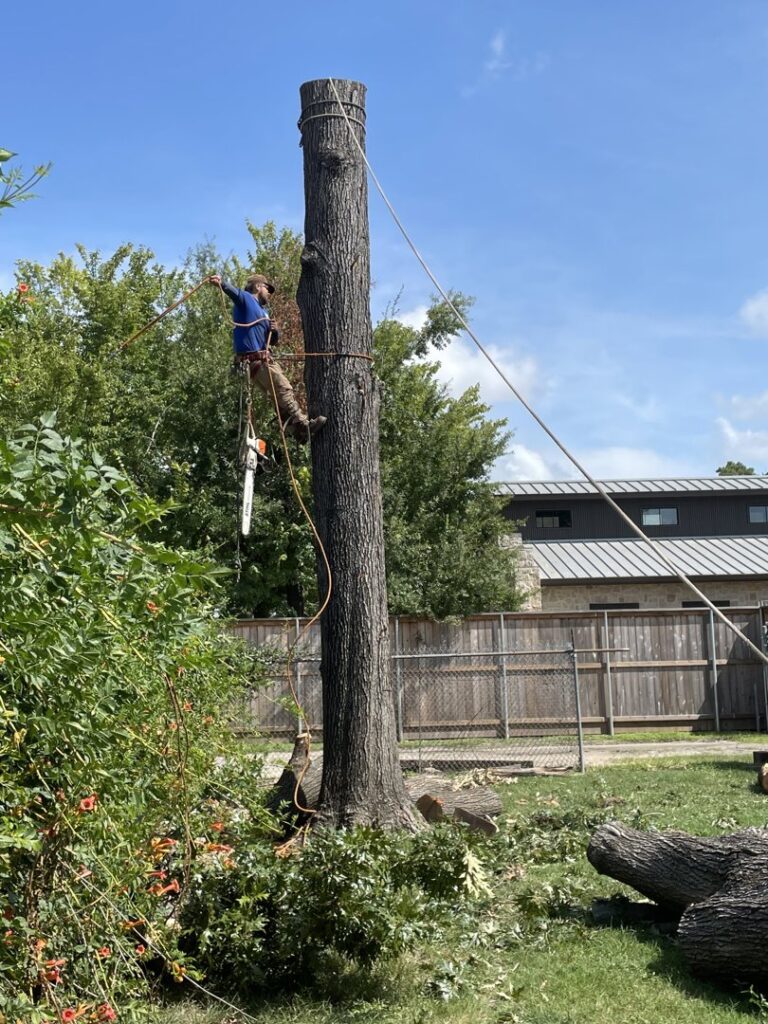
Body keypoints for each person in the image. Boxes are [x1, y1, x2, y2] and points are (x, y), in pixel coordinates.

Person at [209, 273, 325, 441]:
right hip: (255, 361)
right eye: (267, 288)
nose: (269, 292)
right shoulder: (247, 300)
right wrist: (222, 283)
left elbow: (273, 341)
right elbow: (234, 293)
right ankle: (302, 423)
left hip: (261, 360)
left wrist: (275, 330)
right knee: (284, 388)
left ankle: (297, 431)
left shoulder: (264, 312)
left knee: (279, 397)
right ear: (258, 287)